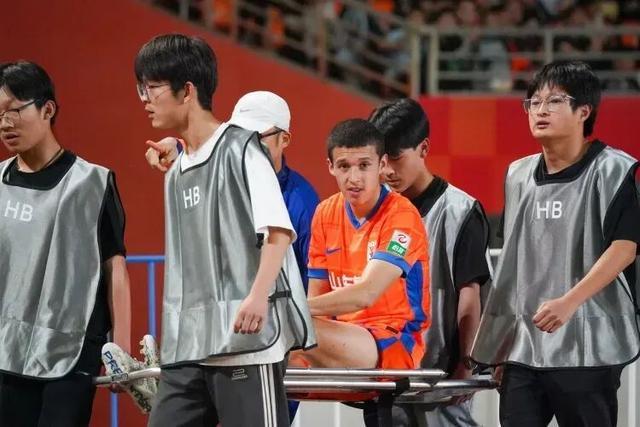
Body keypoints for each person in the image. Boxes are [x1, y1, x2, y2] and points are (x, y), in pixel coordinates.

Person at [134, 34, 315, 427]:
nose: (144, 99)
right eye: (141, 89)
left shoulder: (243, 149)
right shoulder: (177, 169)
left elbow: (278, 231)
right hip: (188, 349)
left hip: (247, 343)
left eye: (151, 88)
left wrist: (258, 297)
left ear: (186, 91)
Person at [472, 60, 640, 427]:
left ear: (584, 111)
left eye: (554, 101)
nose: (540, 110)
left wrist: (570, 302)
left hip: (588, 346)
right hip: (524, 349)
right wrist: (502, 344)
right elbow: (512, 267)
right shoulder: (517, 175)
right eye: (533, 102)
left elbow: (625, 248)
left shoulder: (612, 170)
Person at [0, 61, 132, 426]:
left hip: (71, 352)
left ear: (47, 110)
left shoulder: (93, 182)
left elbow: (115, 267)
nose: (5, 124)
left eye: (13, 111)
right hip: (5, 352)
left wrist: (120, 348)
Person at [370, 98, 491, 427]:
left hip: (439, 380)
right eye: (381, 160)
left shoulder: (460, 210)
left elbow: (469, 294)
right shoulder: (373, 209)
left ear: (423, 148)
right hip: (383, 374)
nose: (387, 171)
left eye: (396, 158)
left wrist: (466, 363)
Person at [290, 118, 431, 371]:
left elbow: (367, 294)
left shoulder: (402, 216)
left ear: (382, 165)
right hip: (343, 337)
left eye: (364, 165)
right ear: (331, 167)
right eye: (344, 166)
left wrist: (290, 309)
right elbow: (318, 300)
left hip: (395, 342)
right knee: (272, 348)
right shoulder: (324, 213)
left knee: (285, 327)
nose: (354, 178)